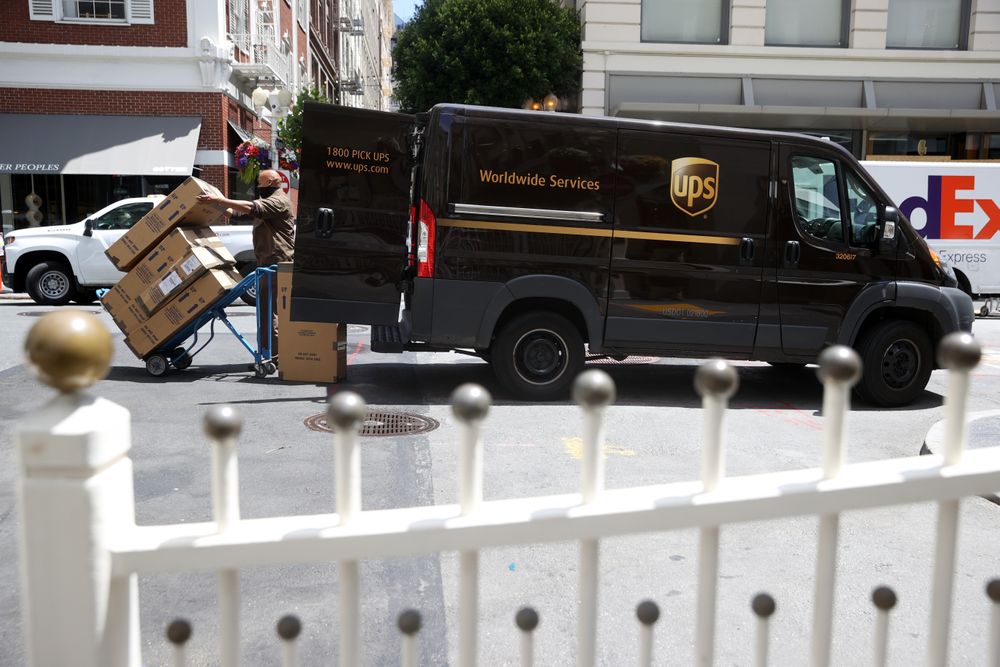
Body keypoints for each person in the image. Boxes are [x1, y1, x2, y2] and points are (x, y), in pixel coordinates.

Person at [196, 169, 294, 362]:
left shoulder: (278, 201)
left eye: (260, 183)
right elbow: (235, 212)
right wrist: (216, 201)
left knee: (270, 312)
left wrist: (218, 200)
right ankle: (268, 354)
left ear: (270, 183)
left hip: (277, 263)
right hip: (267, 262)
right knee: (265, 311)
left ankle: (274, 357)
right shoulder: (267, 202)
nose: (258, 187)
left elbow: (252, 207)